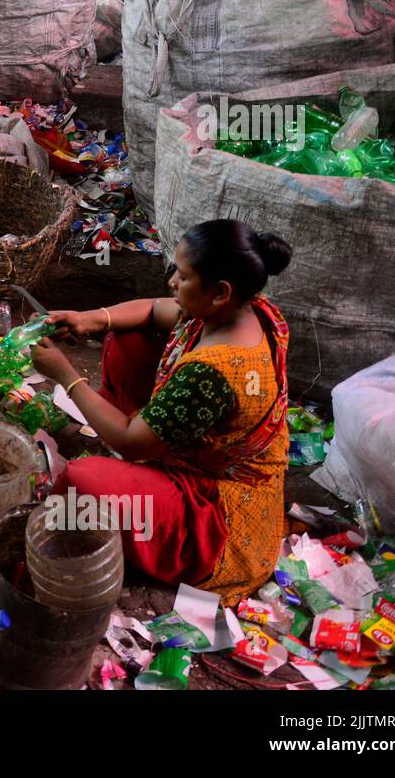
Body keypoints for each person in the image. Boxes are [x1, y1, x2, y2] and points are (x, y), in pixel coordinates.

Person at [29, 219, 294, 606]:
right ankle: (138, 469)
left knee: (81, 485)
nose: (172, 282)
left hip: (216, 512)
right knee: (127, 339)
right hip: (197, 447)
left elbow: (133, 443)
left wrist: (66, 375)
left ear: (220, 292)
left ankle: (162, 523)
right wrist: (91, 318)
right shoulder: (241, 310)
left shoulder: (215, 371)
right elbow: (155, 310)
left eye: (183, 277)